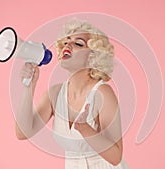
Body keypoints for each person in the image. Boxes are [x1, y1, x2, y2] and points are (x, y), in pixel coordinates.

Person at [15, 19, 129, 169]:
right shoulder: (55, 94)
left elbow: (116, 157)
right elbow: (23, 132)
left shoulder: (102, 93)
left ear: (93, 56)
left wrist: (86, 130)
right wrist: (29, 86)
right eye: (66, 42)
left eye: (78, 43)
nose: (68, 45)